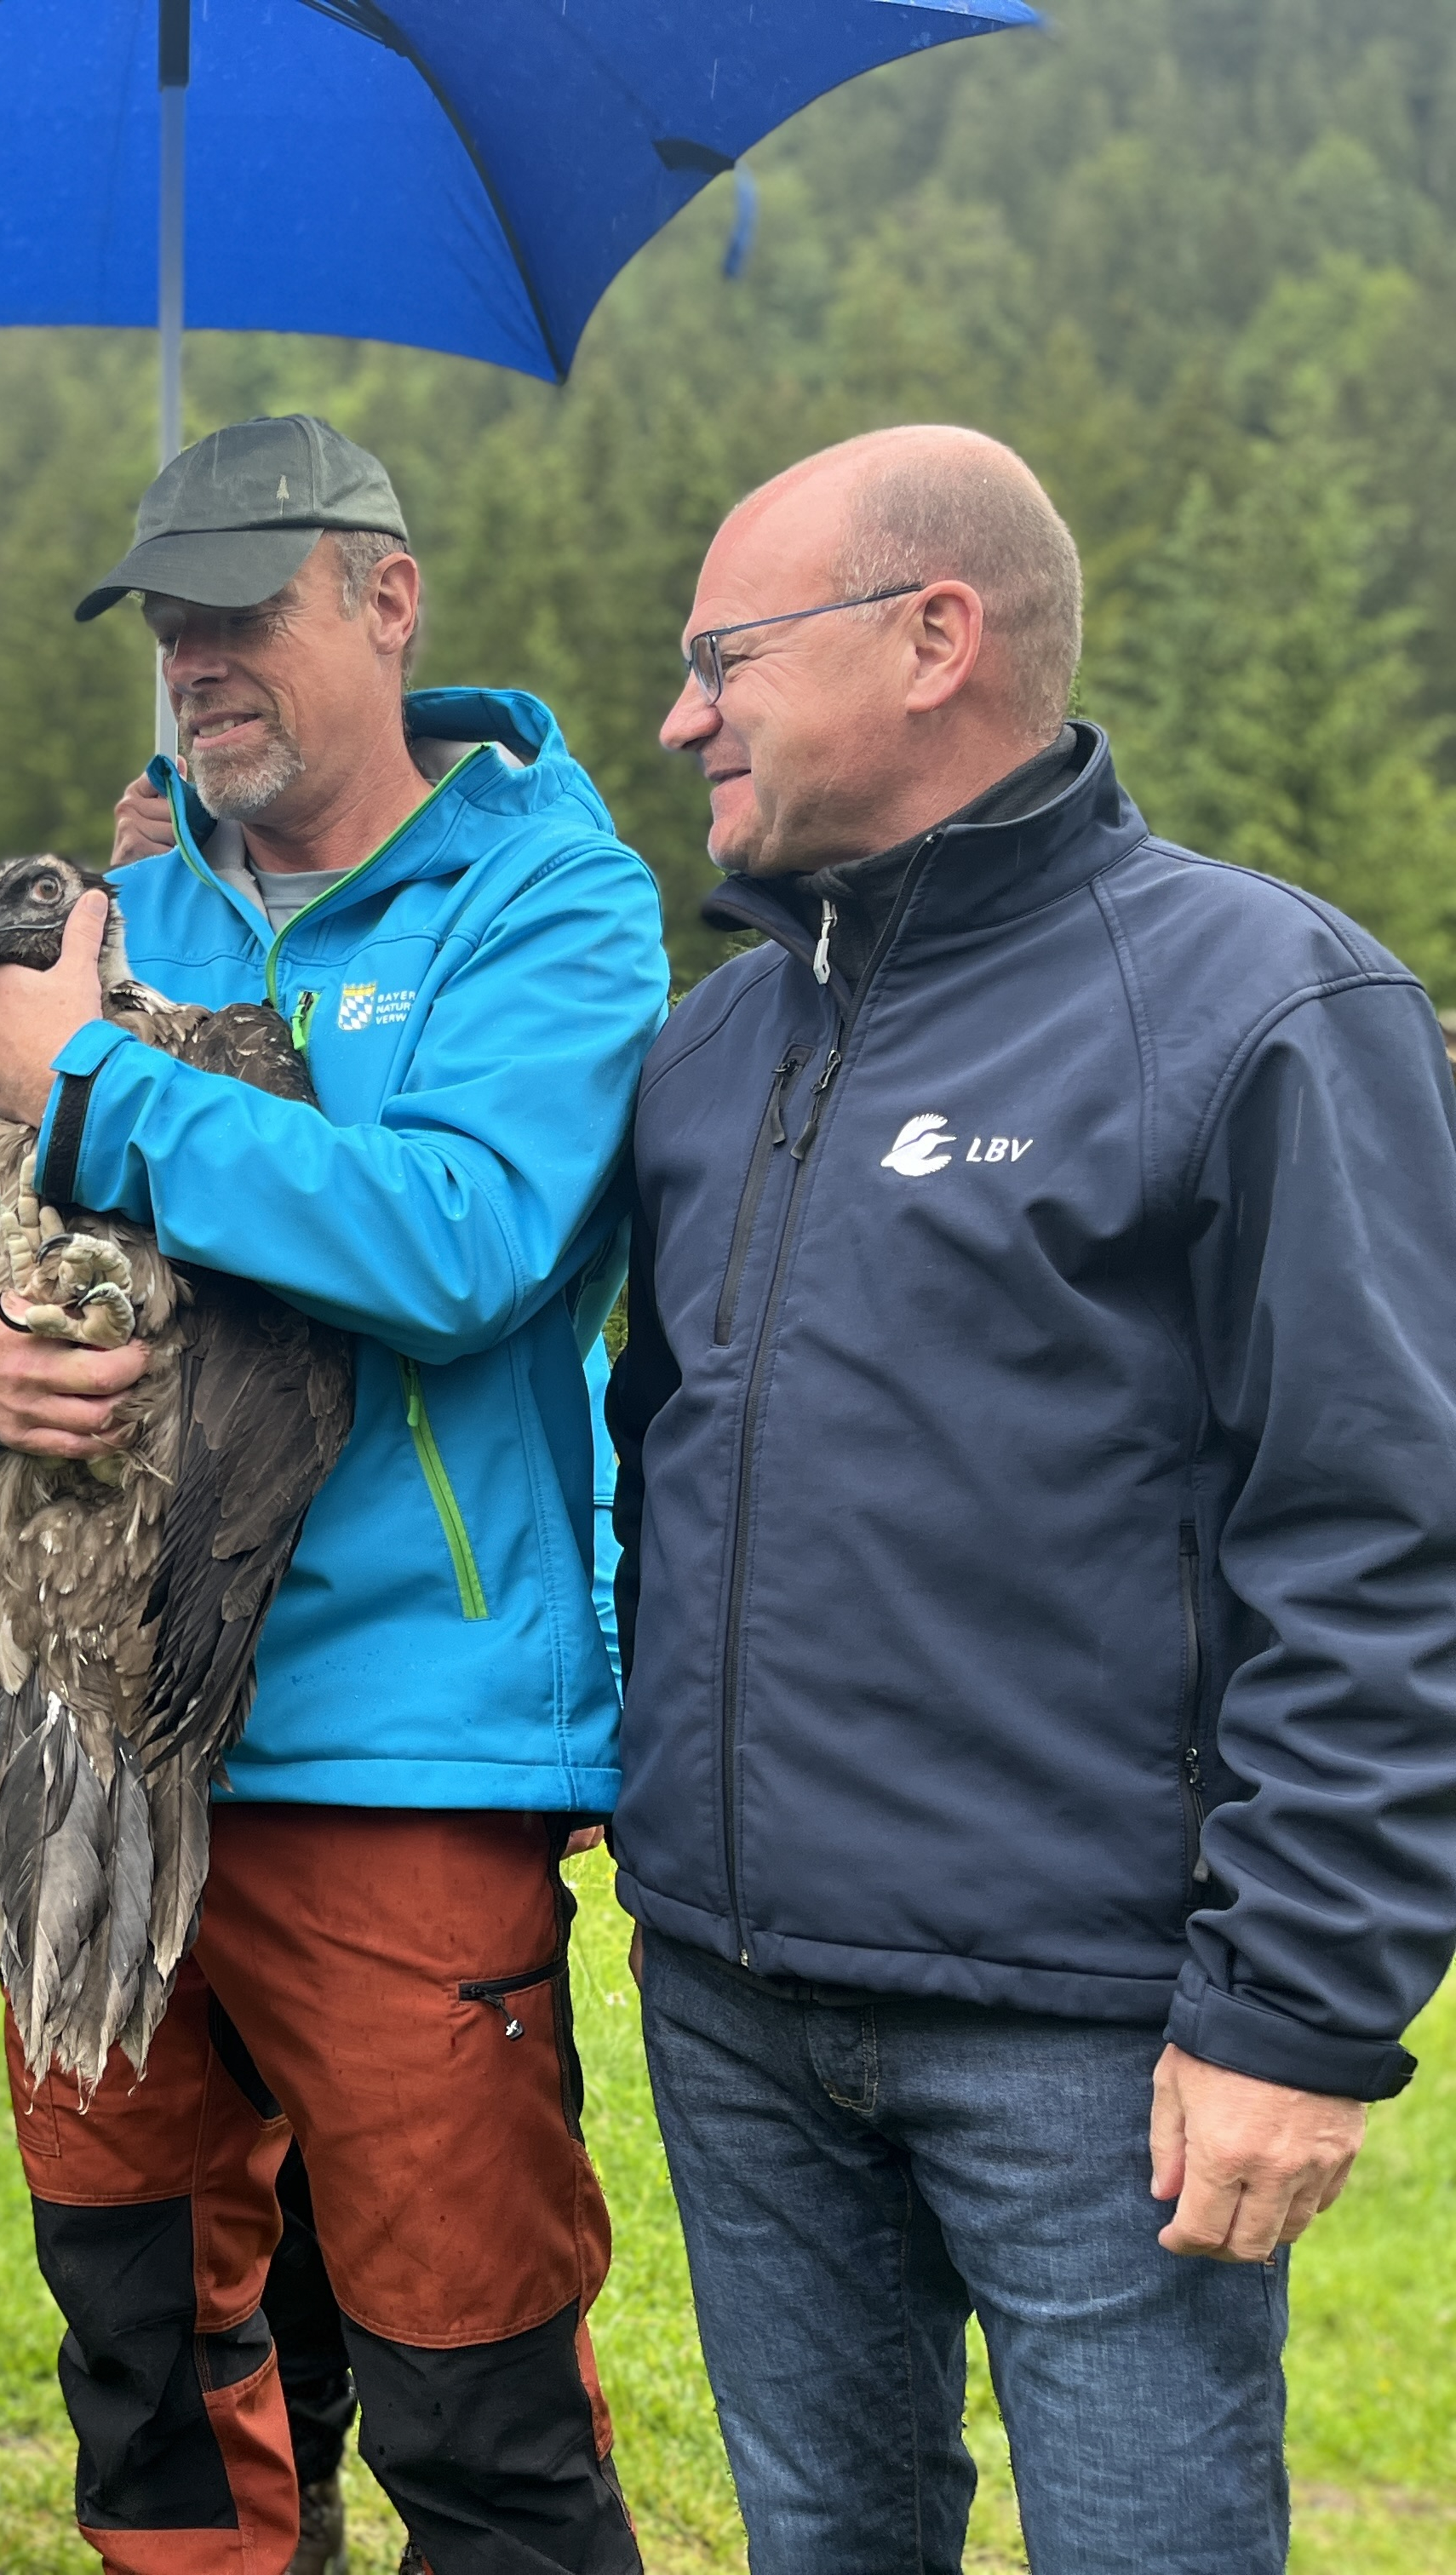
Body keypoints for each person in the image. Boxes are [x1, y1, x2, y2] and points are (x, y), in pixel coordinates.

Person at [608, 426, 1456, 2573]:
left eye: (724, 656)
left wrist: (1300, 2010)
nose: (680, 712)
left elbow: (1380, 1532)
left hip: (1096, 2036)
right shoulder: (713, 1052)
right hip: (730, 1996)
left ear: (933, 639)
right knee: (823, 2543)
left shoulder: (1264, 1002)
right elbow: (658, 1450)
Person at [0, 415, 668, 2575]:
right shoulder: (110, 918)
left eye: (244, 610)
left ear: (385, 601)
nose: (198, 657)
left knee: (470, 2383)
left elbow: (469, 1240)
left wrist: (101, 1086)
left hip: (394, 1749)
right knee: (147, 2364)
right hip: (94, 1755)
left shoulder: (551, 905)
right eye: (167, 621)